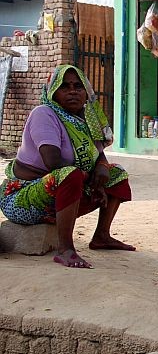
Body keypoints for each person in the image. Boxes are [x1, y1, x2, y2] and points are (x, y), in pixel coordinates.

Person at [0, 64, 134, 268]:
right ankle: (65, 249)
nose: (73, 91)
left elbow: (97, 155)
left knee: (117, 173)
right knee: (68, 174)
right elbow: (53, 162)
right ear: (53, 92)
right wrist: (92, 181)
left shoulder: (87, 118)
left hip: (64, 191)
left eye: (78, 86)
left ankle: (102, 236)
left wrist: (102, 168)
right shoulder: (44, 114)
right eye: (65, 86)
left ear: (86, 91)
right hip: (22, 198)